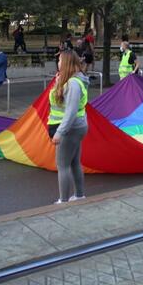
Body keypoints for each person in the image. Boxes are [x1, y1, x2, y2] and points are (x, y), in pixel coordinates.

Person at [48, 50, 89, 204]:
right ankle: (79, 195)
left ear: (66, 63)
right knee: (74, 162)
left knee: (62, 165)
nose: (58, 63)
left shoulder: (73, 83)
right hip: (76, 127)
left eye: (59, 60)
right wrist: (58, 83)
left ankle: (63, 201)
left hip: (70, 129)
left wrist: (60, 132)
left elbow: (70, 111)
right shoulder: (72, 81)